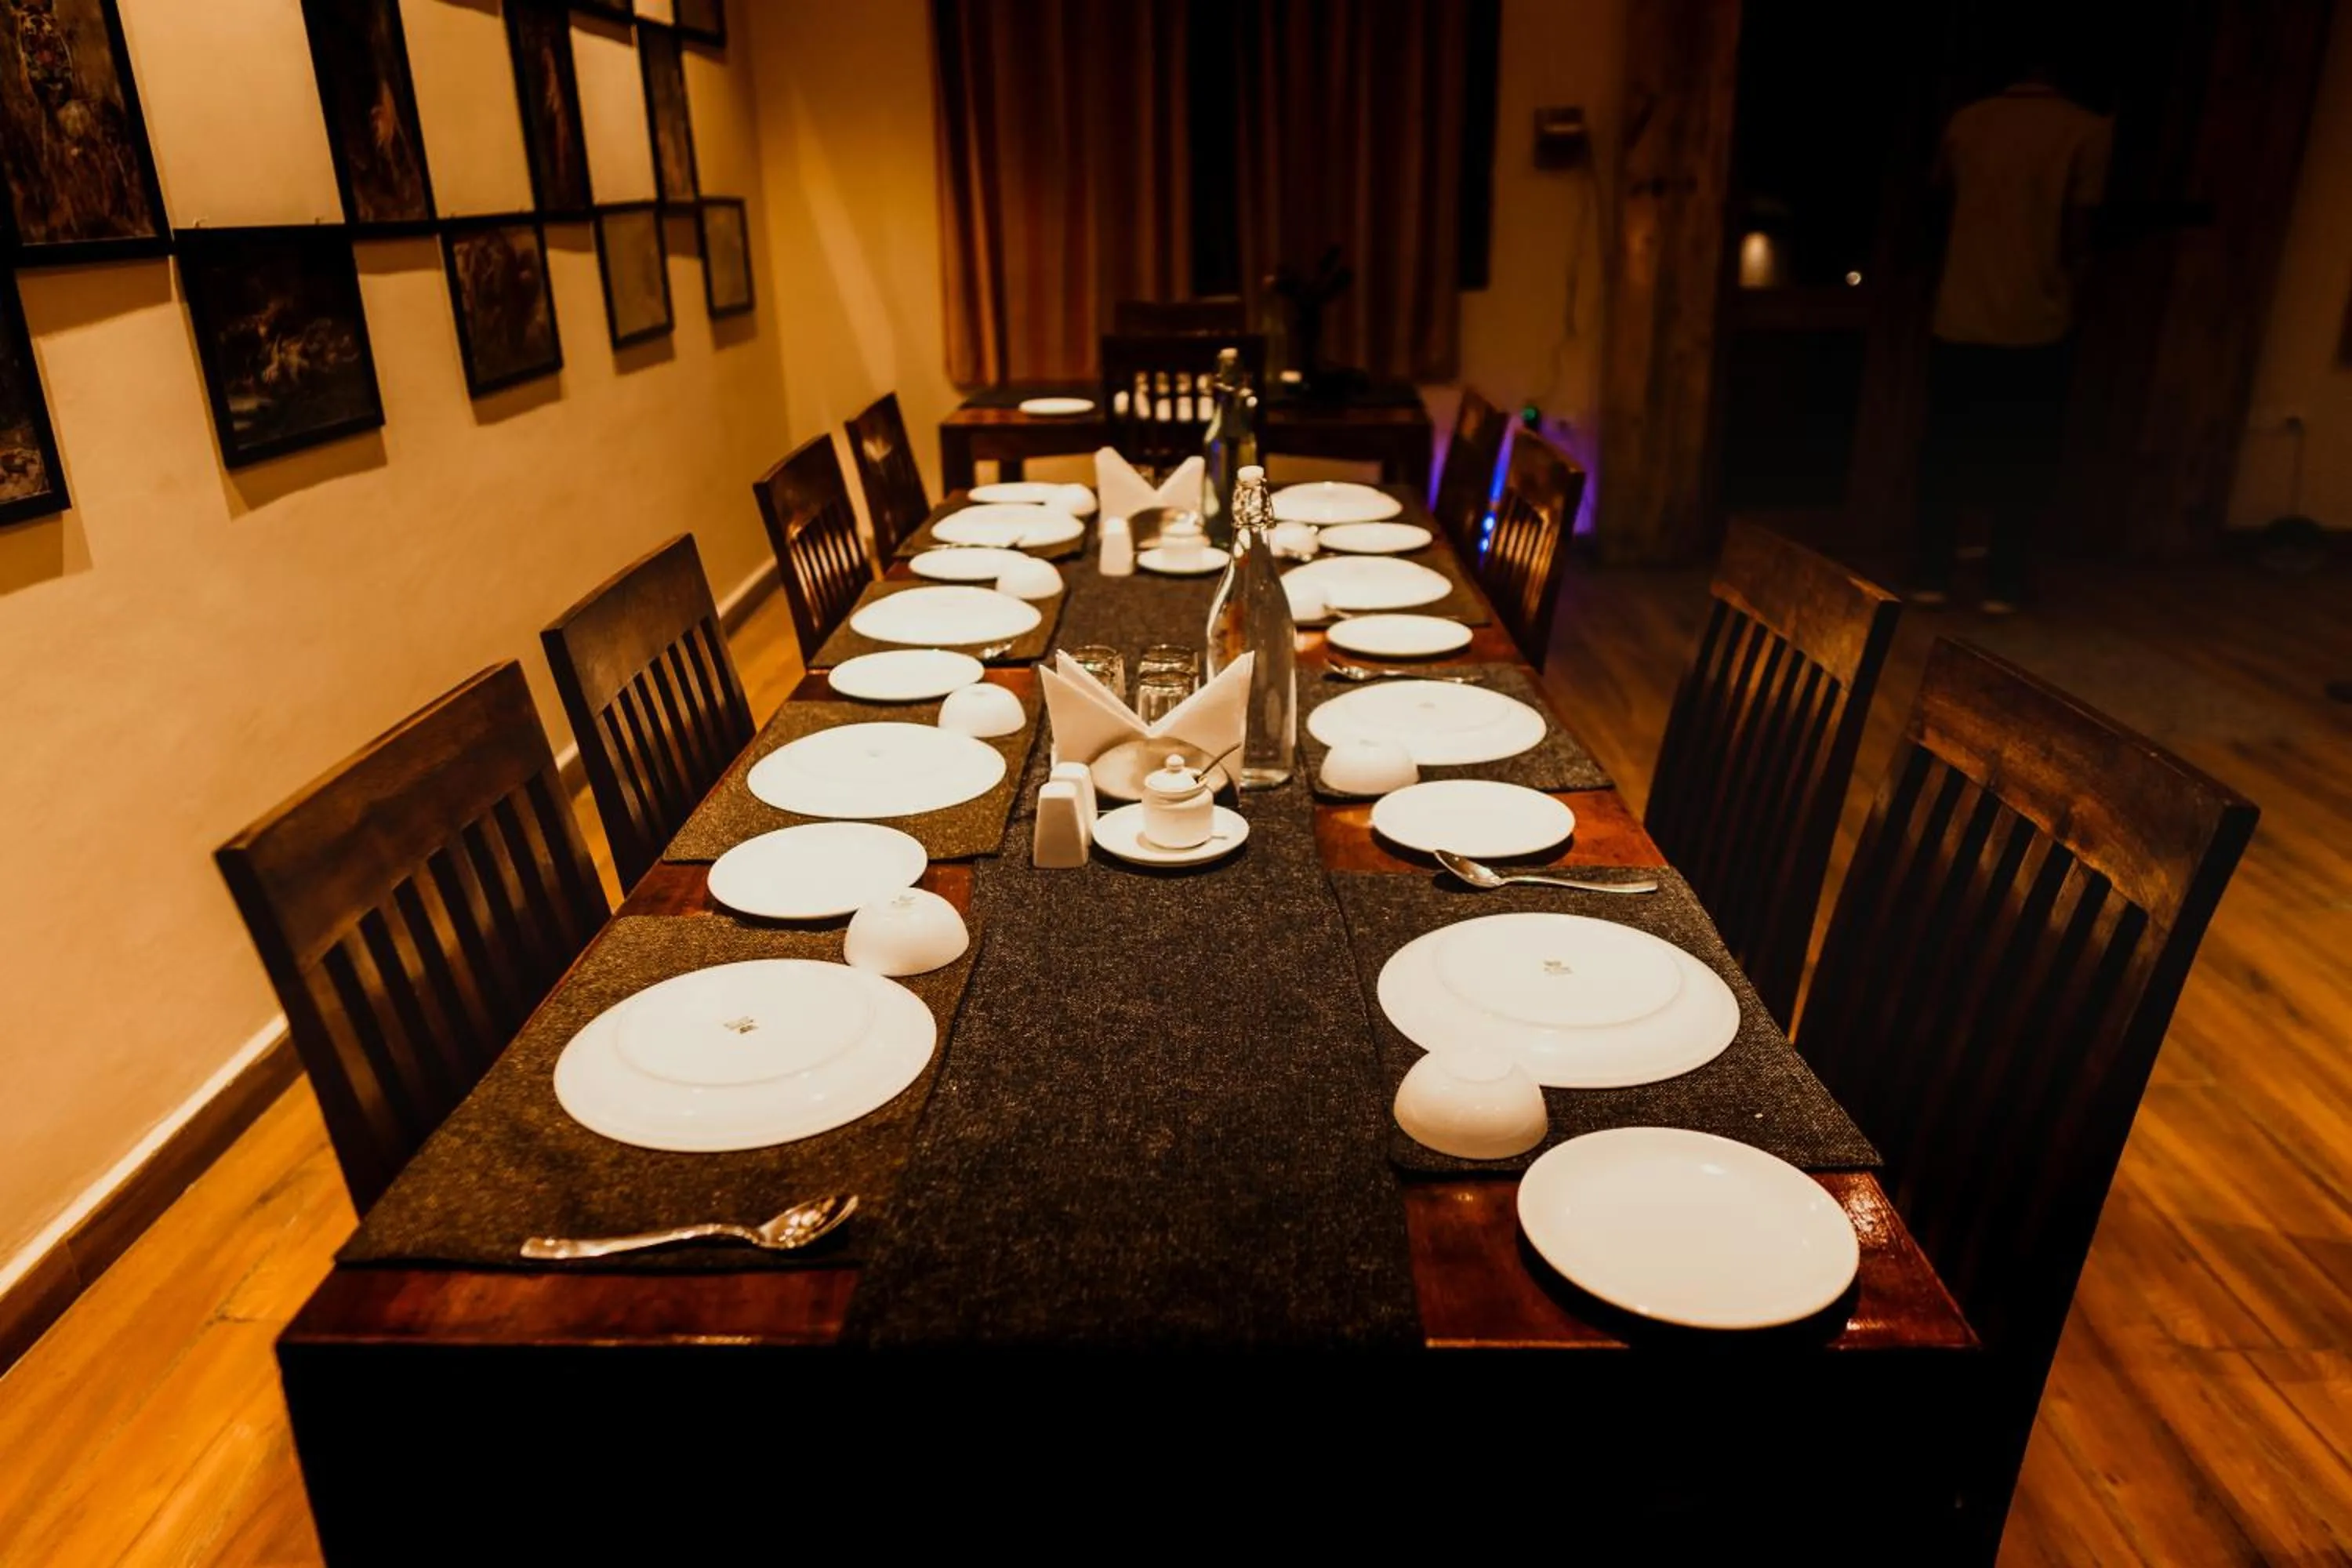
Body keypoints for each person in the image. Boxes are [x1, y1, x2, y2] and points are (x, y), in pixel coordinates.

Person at [1915, 64, 2112, 613]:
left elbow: (1936, 203)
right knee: (2022, 457)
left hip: (1961, 310)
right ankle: (2003, 580)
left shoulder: (1969, 123)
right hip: (2037, 318)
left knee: (1945, 453)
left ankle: (1931, 571)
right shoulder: (2086, 131)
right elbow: (2080, 228)